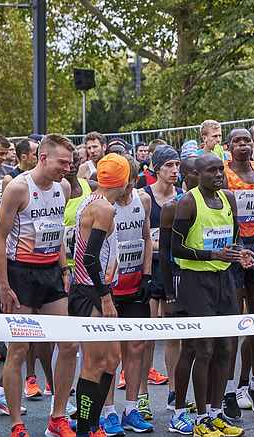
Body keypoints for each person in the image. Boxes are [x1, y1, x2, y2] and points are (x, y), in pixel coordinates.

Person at [0, 134, 77, 437]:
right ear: (43, 158)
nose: (67, 168)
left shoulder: (63, 188)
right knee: (18, 349)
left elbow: (57, 230)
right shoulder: (18, 188)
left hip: (50, 274)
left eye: (70, 163)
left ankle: (57, 418)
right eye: (62, 162)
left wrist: (63, 266)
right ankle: (17, 423)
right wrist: (3, 284)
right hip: (20, 274)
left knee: (68, 344)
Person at [172, 153, 254, 437]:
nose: (219, 174)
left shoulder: (229, 199)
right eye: (212, 171)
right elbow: (176, 249)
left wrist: (239, 252)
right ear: (197, 174)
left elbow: (234, 237)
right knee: (201, 349)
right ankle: (196, 416)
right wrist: (211, 254)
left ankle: (216, 412)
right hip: (195, 281)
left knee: (225, 348)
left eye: (221, 169)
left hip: (224, 279)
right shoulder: (187, 202)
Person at [69, 154, 130, 437]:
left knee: (112, 359)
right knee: (94, 363)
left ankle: (93, 424)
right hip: (88, 291)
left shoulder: (95, 200)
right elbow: (90, 258)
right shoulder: (103, 208)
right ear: (125, 181)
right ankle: (84, 428)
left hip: (97, 287)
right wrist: (105, 297)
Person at [99, 155, 155, 434]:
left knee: (135, 348)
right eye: (126, 184)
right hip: (110, 288)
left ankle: (131, 408)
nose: (129, 189)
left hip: (135, 284)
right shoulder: (103, 205)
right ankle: (107, 411)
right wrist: (103, 289)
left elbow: (146, 237)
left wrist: (146, 274)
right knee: (110, 354)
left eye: (133, 183)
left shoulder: (142, 200)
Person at [223, 128, 254, 419]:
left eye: (247, 141)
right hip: (236, 249)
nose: (243, 145)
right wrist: (237, 247)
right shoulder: (225, 175)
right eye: (238, 141)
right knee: (236, 321)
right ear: (229, 146)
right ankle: (229, 389)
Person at [137, 146, 181, 420]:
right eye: (169, 166)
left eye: (177, 165)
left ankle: (175, 393)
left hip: (174, 269)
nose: (175, 171)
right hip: (150, 269)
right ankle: (141, 395)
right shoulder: (145, 197)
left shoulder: (183, 197)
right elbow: (143, 238)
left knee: (174, 334)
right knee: (146, 337)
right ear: (156, 168)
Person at [159, 157, 199, 434]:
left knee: (205, 346)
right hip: (179, 278)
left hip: (208, 282)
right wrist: (169, 292)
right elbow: (165, 253)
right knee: (184, 341)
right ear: (187, 176)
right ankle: (177, 399)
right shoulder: (172, 207)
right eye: (197, 171)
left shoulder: (220, 201)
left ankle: (206, 406)